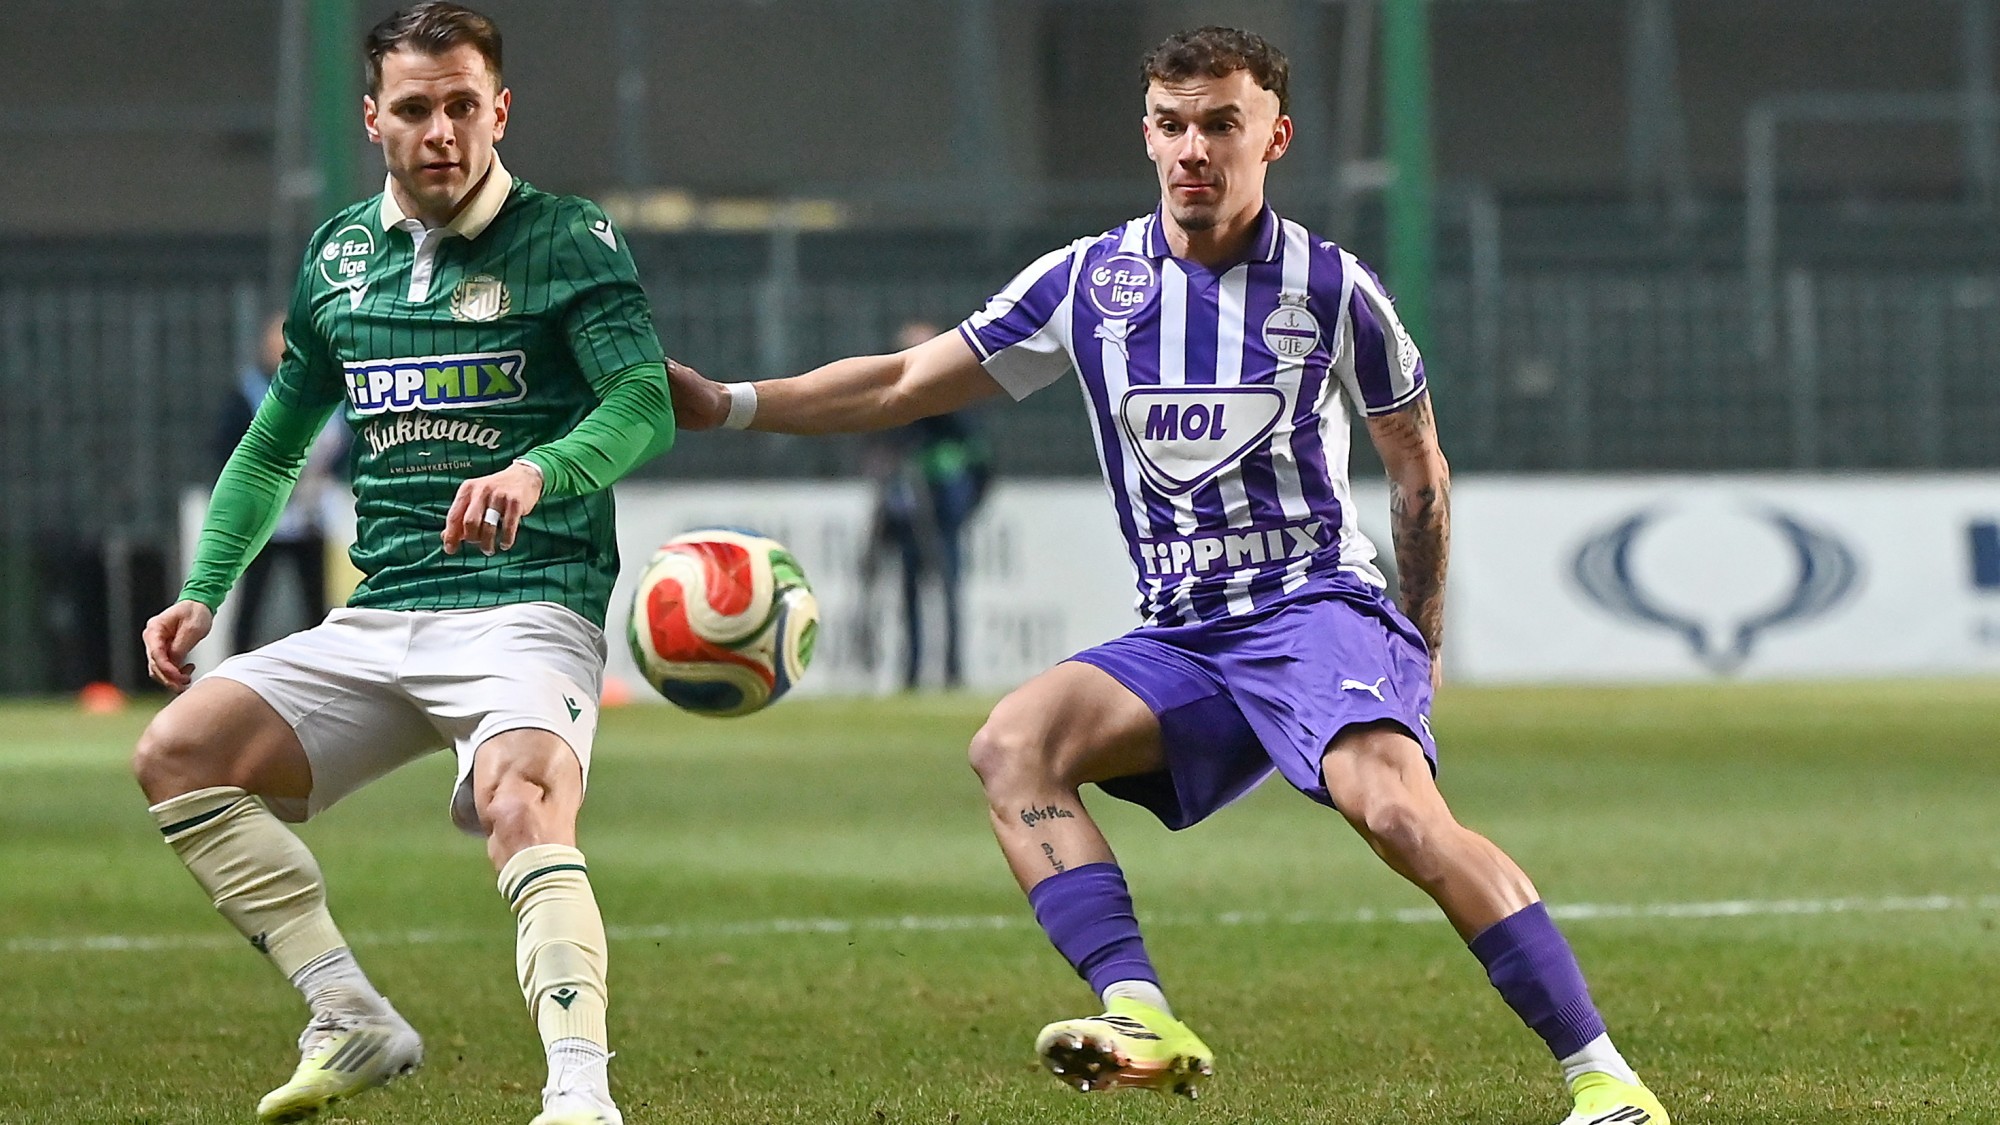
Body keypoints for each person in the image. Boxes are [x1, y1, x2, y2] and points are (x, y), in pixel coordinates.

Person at [665, 26, 1670, 1125]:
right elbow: (908, 378)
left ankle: (1603, 1079)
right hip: (1183, 637)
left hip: (1311, 611)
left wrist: (1418, 642)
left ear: (1271, 137)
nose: (1193, 147)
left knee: (1394, 815)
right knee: (1012, 746)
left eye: (1220, 125)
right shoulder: (1089, 282)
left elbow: (1416, 470)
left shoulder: (1333, 290)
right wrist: (731, 403)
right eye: (1172, 124)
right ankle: (1141, 1015)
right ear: (1146, 133)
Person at [132, 5, 673, 1124]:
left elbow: (642, 401)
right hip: (384, 612)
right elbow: (277, 441)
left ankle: (580, 1095)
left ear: (499, 110)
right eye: (417, 108)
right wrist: (204, 587)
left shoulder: (567, 237)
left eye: (463, 105)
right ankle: (349, 1015)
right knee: (178, 755)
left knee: (518, 800)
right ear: (374, 119)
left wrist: (542, 473)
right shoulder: (336, 256)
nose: (442, 130)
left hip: (529, 606)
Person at [857, 320, 991, 689]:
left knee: (948, 585)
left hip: (944, 500)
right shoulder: (891, 398)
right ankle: (912, 672)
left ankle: (952, 670)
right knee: (909, 587)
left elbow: (978, 455)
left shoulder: (956, 395)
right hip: (907, 500)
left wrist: (967, 505)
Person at [213, 313, 351, 654]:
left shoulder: (330, 395)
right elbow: (229, 447)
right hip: (265, 514)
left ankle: (321, 668)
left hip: (311, 515)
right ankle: (235, 668)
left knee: (316, 602)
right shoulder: (250, 392)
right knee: (251, 602)